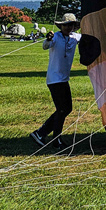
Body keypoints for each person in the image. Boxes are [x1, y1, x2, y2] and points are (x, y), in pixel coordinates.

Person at [30, 13, 81, 151]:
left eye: (71, 25)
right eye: (66, 25)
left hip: (64, 79)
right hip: (54, 79)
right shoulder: (56, 37)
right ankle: (55, 138)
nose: (68, 27)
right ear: (61, 26)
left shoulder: (75, 37)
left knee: (67, 108)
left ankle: (40, 133)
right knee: (62, 109)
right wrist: (48, 39)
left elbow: (87, 39)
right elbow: (45, 46)